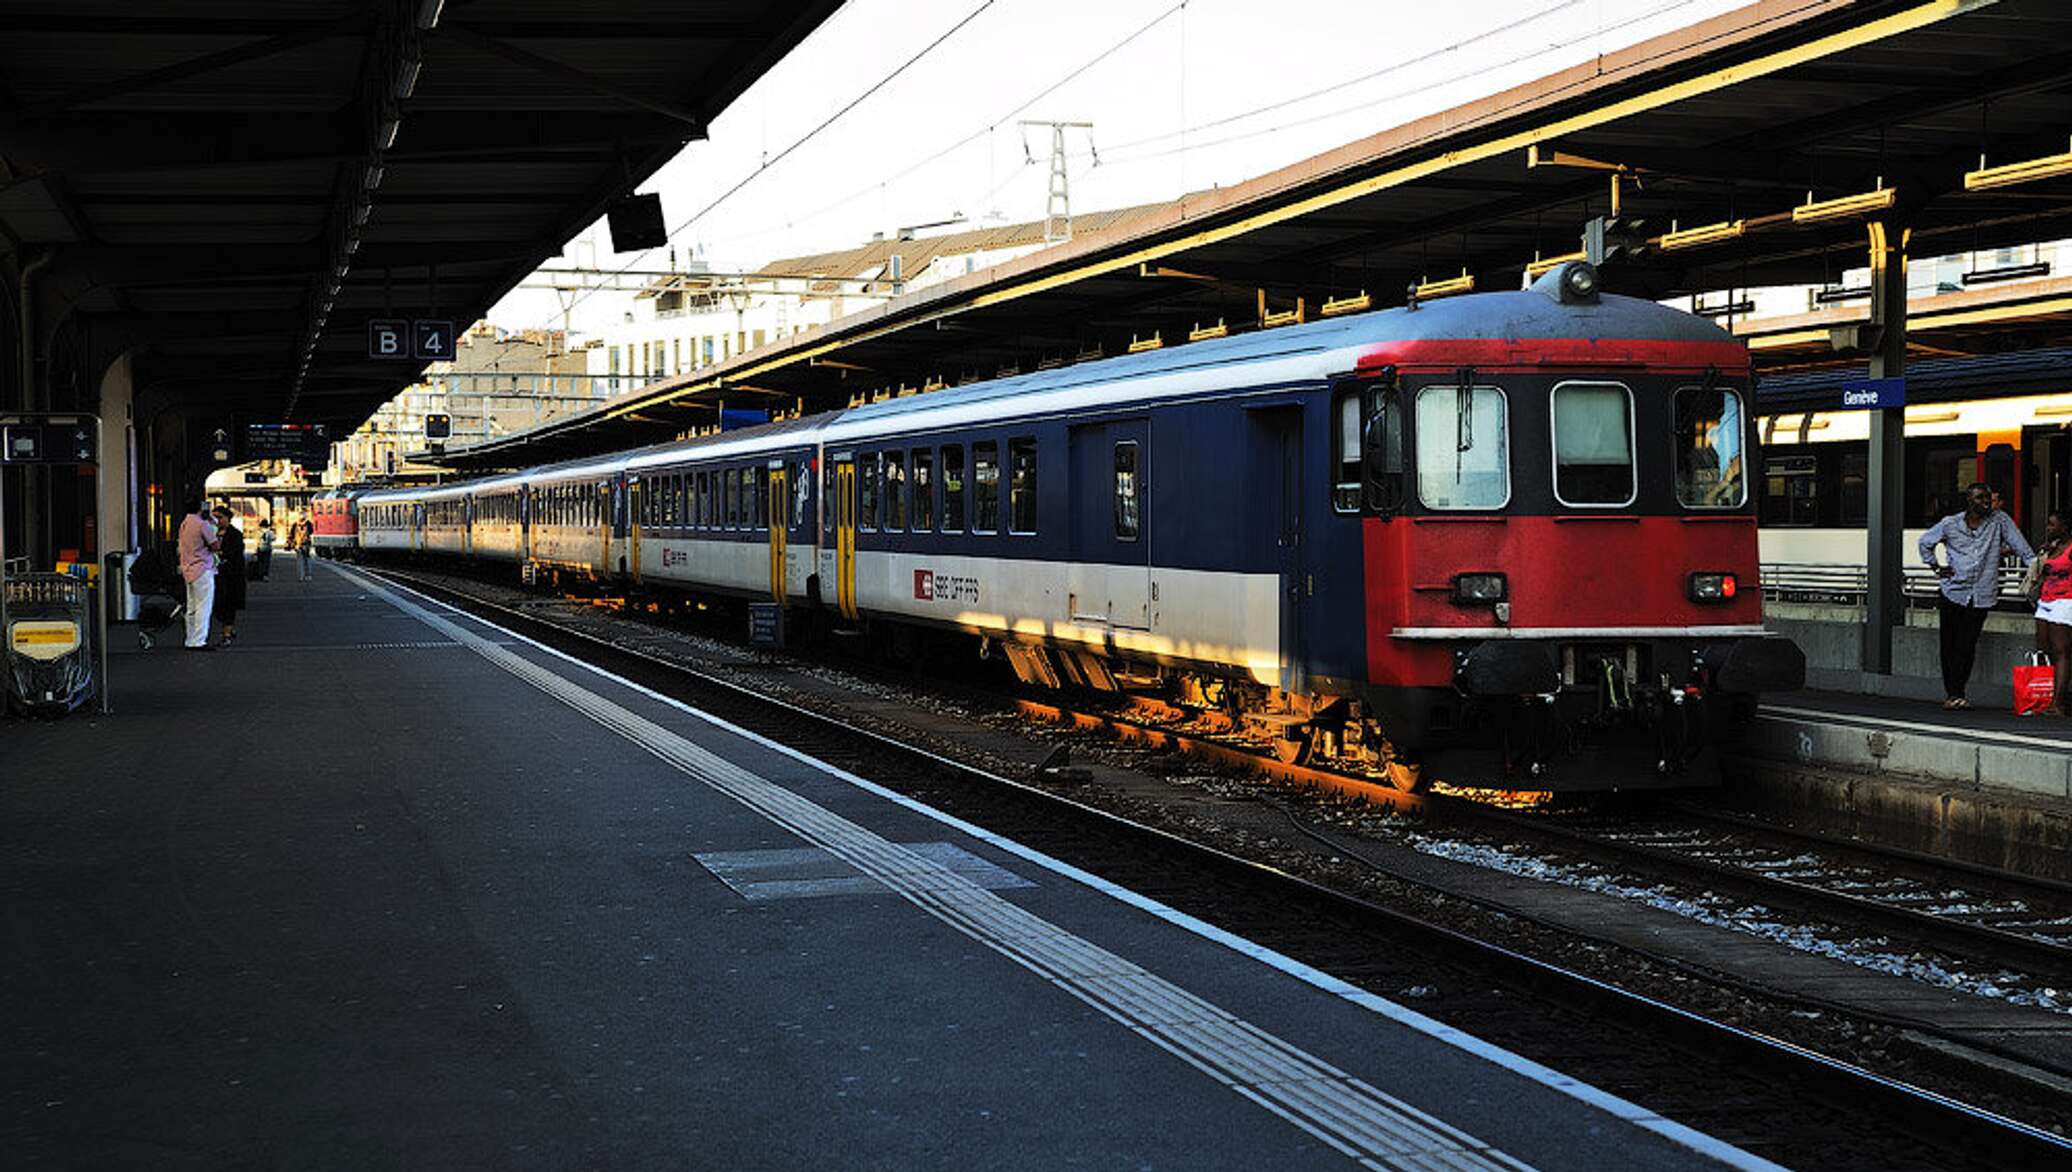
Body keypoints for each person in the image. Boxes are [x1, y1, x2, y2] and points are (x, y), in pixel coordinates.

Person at [1918, 481, 2033, 710]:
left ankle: (1957, 692)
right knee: (1949, 644)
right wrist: (1936, 567)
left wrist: (2037, 567)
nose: (1985, 502)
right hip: (1953, 592)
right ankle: (1953, 693)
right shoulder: (1950, 524)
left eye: (1988, 498)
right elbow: (1925, 543)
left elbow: (2022, 548)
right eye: (1980, 498)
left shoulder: (2000, 521)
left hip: (1981, 594)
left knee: (1967, 644)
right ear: (1969, 501)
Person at [2033, 510, 2072, 717]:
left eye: (2052, 525)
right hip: (2045, 601)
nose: (2048, 528)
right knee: (2044, 646)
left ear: (2064, 527)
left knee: (2061, 650)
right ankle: (2052, 696)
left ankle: (2059, 702)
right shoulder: (2052, 548)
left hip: (2065, 601)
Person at [175, 497, 221, 651]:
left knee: (192, 607)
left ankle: (190, 639)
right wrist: (214, 522)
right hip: (202, 568)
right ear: (200, 509)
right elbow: (215, 545)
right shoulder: (202, 524)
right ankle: (199, 640)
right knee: (204, 605)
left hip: (187, 568)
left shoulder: (184, 524)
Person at [212, 506, 247, 642]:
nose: (217, 520)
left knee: (229, 604)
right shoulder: (211, 533)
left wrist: (219, 553)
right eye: (214, 517)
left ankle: (227, 633)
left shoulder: (235, 534)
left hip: (232, 575)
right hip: (216, 574)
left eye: (220, 517)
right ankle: (229, 628)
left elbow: (233, 553)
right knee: (218, 606)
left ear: (228, 518)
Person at [290, 514, 315, 581]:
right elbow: (311, 532)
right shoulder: (309, 524)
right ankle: (308, 575)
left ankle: (301, 576)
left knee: (300, 561)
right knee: (307, 560)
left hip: (298, 544)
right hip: (306, 544)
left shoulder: (295, 524)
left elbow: (291, 534)